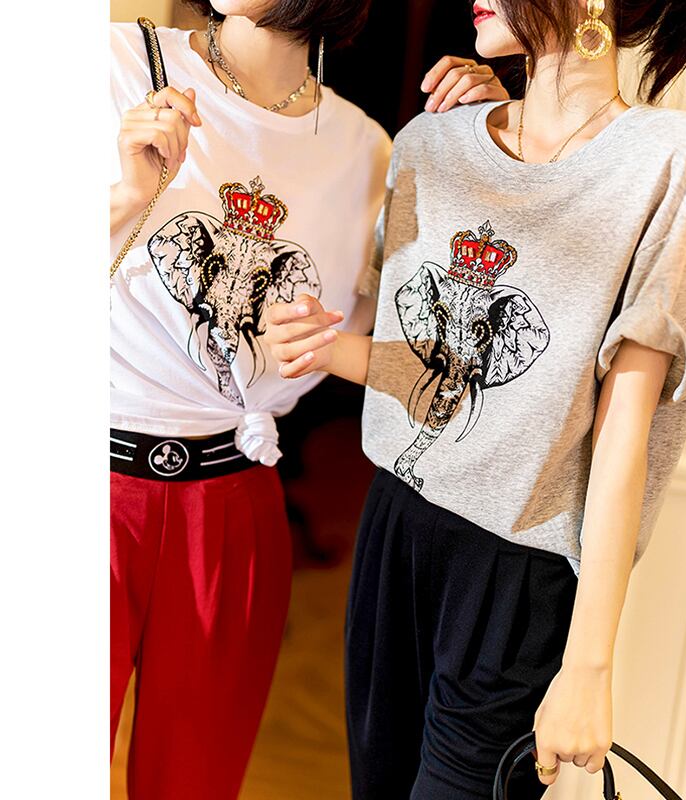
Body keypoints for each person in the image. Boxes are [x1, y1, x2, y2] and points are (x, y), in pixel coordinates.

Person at [265, 0, 686, 797]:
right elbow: (419, 369)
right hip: (394, 527)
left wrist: (588, 667)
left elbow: (624, 433)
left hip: (518, 578)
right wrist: (314, 341)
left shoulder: (667, 161)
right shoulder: (431, 142)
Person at [109, 1, 508, 797]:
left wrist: (495, 142)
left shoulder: (369, 151)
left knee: (195, 783)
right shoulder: (119, 64)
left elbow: (437, 367)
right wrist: (127, 195)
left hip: (234, 506)